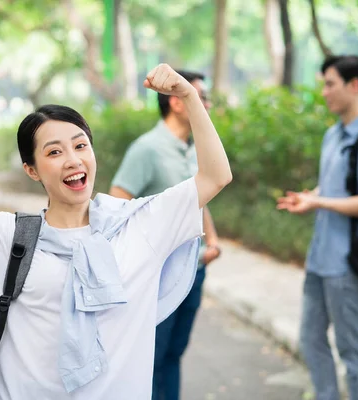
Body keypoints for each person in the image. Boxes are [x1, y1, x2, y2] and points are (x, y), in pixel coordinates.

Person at [0, 64, 232, 400]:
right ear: (32, 170)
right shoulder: (9, 236)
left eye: (80, 146)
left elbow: (215, 176)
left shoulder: (139, 224)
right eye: (54, 152)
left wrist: (188, 96)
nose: (73, 160)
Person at [277, 55, 358, 400]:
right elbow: (337, 188)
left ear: (354, 85)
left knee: (352, 350)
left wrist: (319, 203)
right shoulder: (332, 135)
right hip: (319, 258)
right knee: (310, 339)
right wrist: (311, 196)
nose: (324, 92)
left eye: (330, 84)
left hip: (345, 263)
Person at [109, 70, 221, 400]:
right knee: (151, 361)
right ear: (177, 101)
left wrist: (211, 240)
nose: (209, 104)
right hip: (158, 279)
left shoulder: (191, 148)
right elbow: (117, 205)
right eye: (202, 97)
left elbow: (198, 200)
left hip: (194, 271)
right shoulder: (147, 149)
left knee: (173, 357)